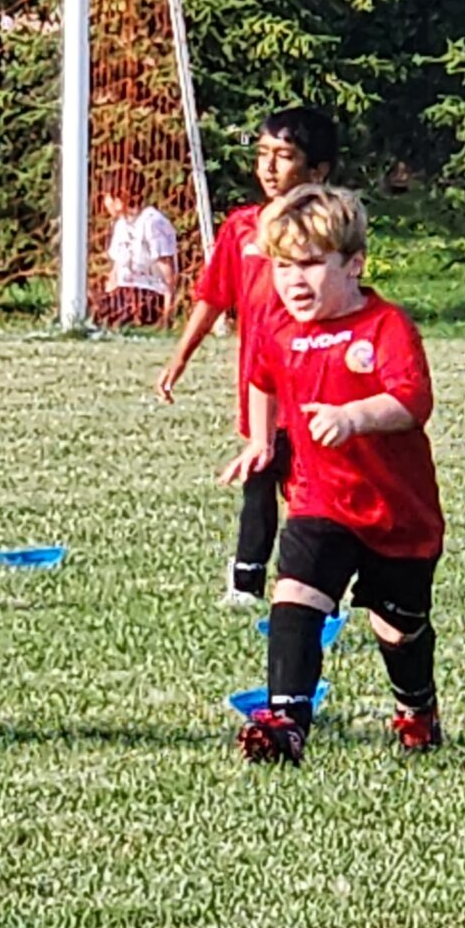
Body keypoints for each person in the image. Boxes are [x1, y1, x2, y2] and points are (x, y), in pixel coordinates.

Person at [226, 185, 445, 766]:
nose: (293, 280)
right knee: (295, 593)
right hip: (320, 499)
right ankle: (285, 723)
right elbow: (262, 378)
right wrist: (258, 438)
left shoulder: (385, 326)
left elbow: (413, 401)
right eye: (282, 265)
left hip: (399, 512)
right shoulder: (281, 330)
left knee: (397, 628)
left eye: (310, 264)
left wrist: (354, 417)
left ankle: (417, 706)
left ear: (353, 265)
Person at [155, 106, 338, 605]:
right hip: (260, 385)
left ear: (317, 170)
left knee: (311, 490)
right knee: (257, 476)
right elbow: (214, 296)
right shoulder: (240, 229)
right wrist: (181, 357)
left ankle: (317, 583)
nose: (270, 168)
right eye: (262, 155)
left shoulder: (331, 234)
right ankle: (246, 584)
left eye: (285, 156)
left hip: (312, 385)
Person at [91, 176, 178, 328]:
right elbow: (116, 270)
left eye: (107, 197)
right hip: (124, 292)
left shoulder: (151, 222)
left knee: (122, 315)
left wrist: (167, 315)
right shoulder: (121, 224)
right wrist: (105, 299)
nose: (105, 203)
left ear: (120, 199)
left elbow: (167, 271)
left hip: (148, 294)